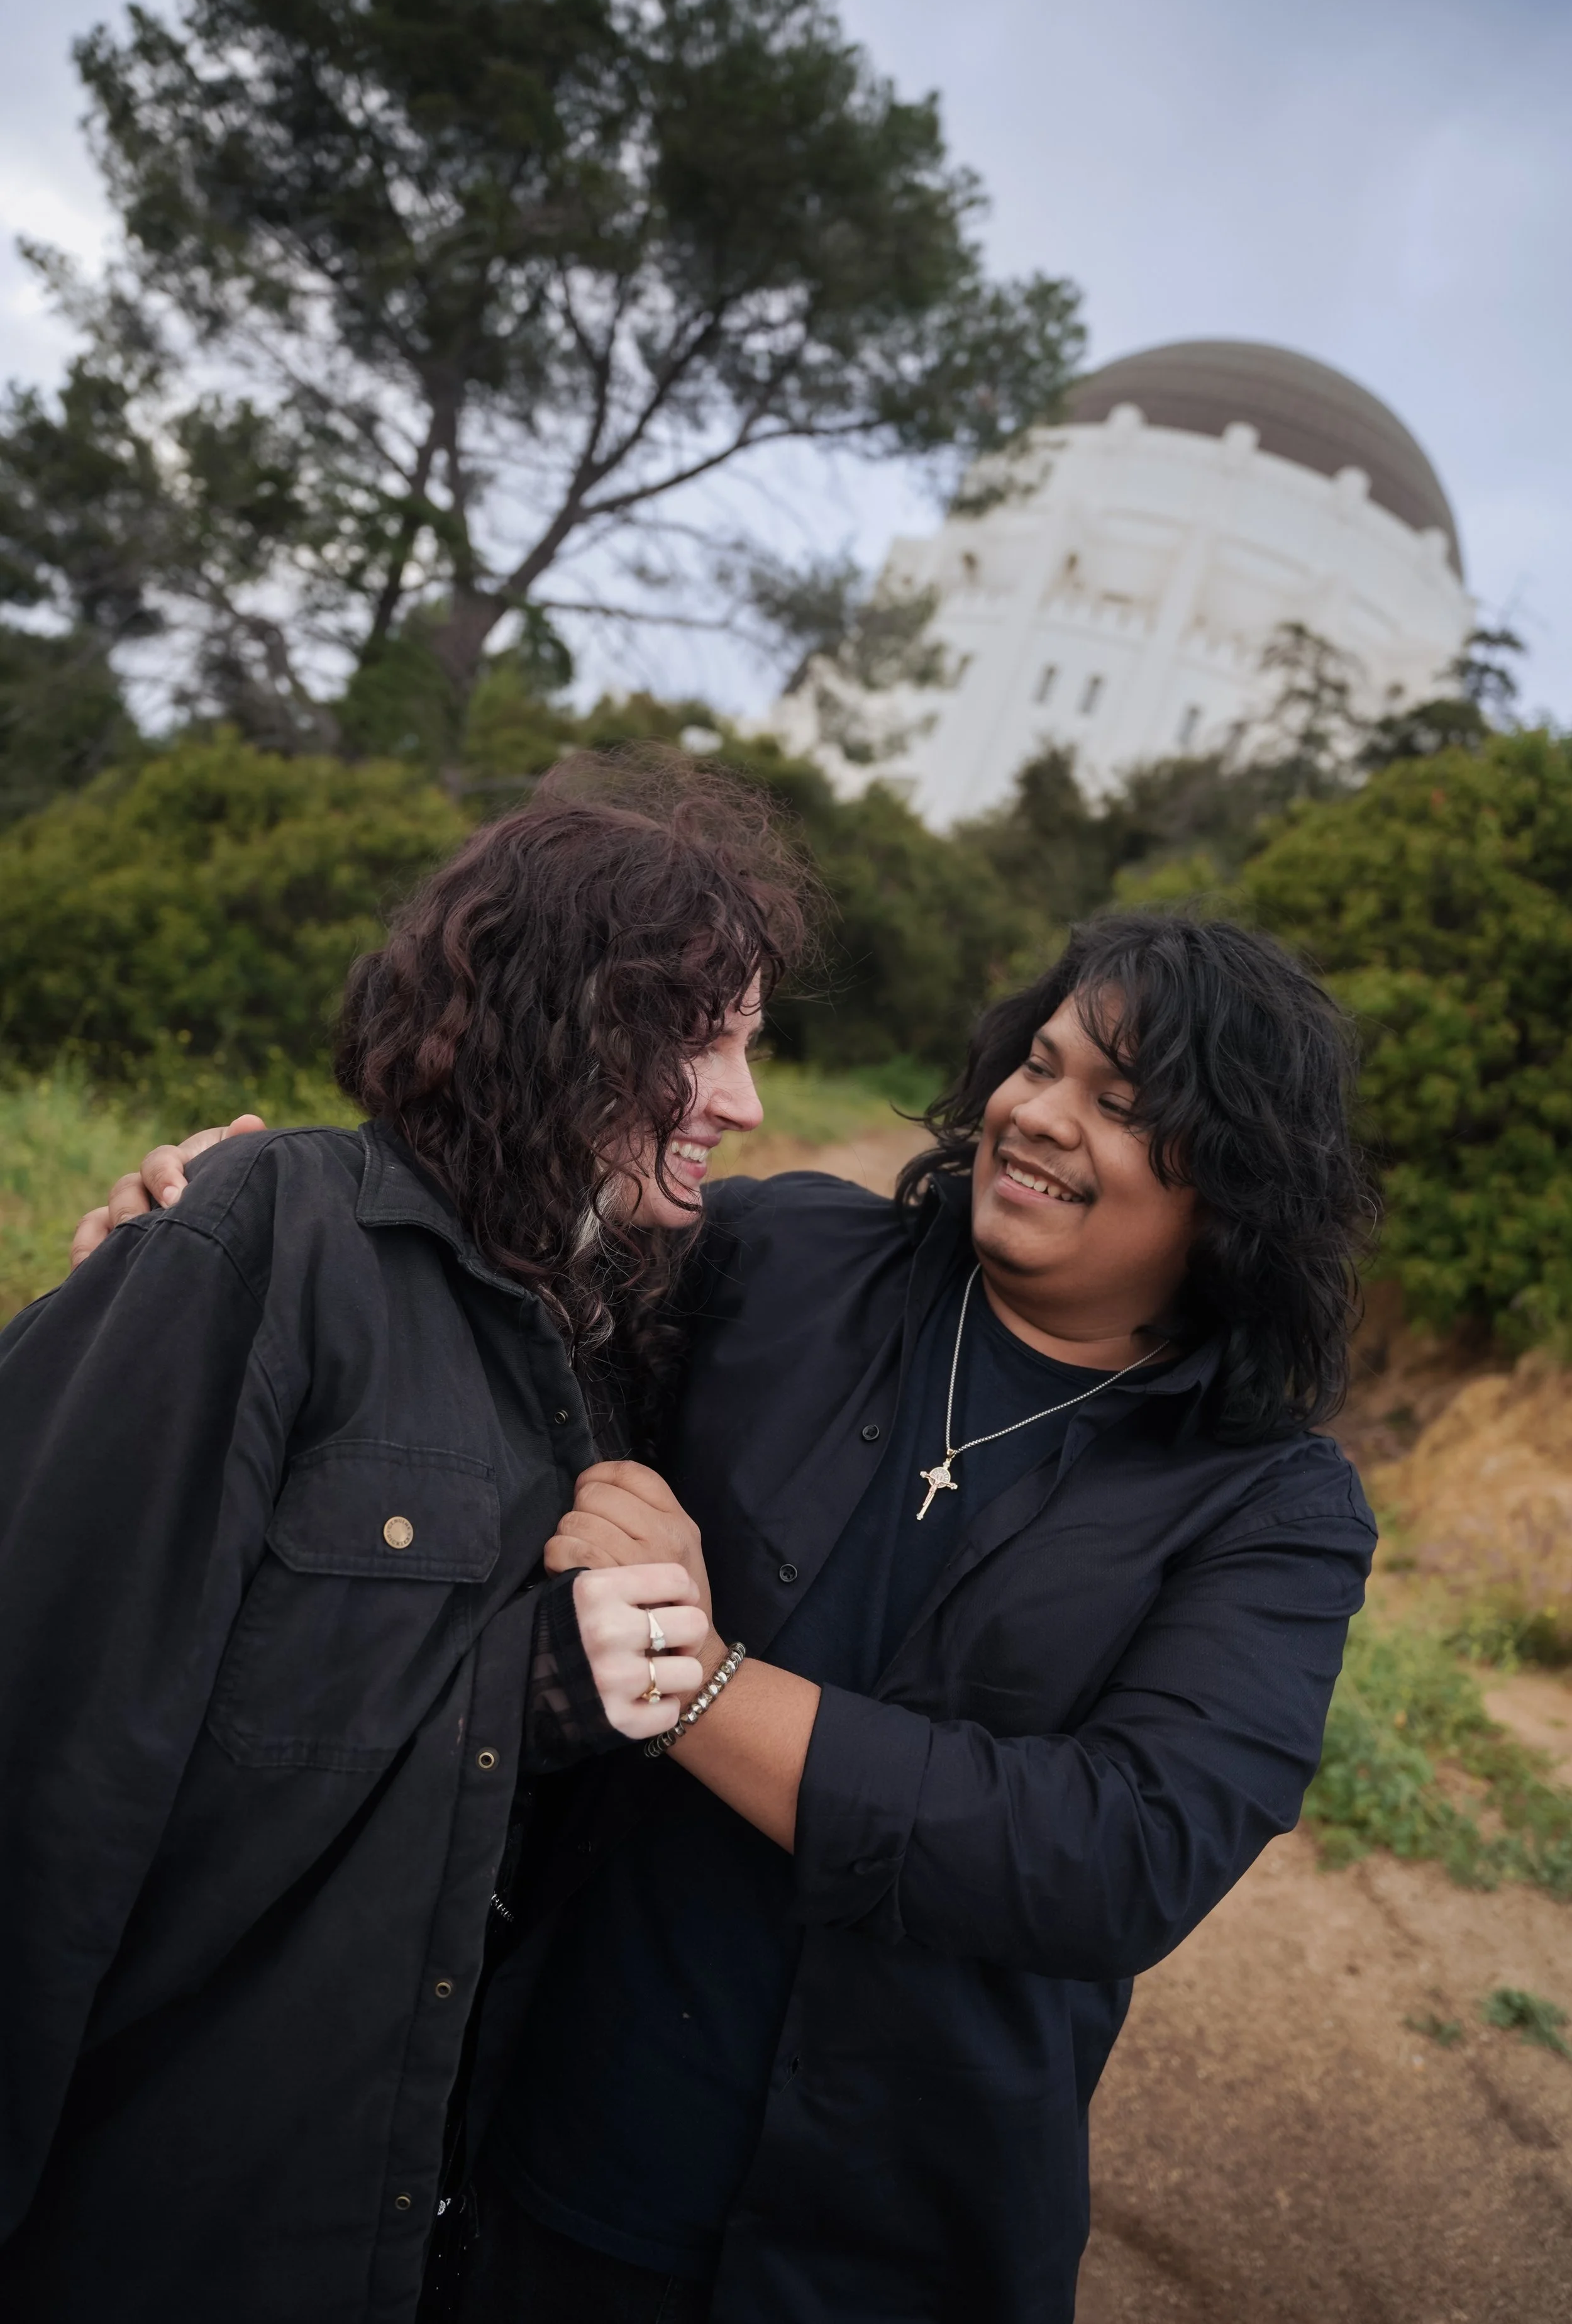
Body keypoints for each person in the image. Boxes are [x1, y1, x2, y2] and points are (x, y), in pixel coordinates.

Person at [86, 908, 1378, 2324]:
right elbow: (471, 1267)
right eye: (1042, 1064)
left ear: (1234, 1188)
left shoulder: (1268, 1506)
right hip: (541, 2148)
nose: (1039, 1119)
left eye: (1118, 1107)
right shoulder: (781, 1258)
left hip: (890, 2240)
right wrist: (233, 1231)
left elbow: (1120, 1852)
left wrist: (697, 1687)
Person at [0, 758, 810, 2322]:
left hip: (369, 2215)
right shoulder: (264, 1236)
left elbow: (422, 1717)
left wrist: (582, 1686)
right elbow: (44, 1758)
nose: (744, 1102)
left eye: (752, 1045)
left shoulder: (611, 1335)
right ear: (554, 1018)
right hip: (137, 2200)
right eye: (697, 1040)